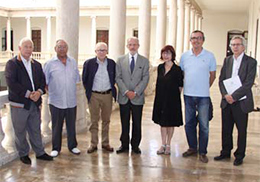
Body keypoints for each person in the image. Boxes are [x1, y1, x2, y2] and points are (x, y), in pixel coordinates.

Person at [5, 37, 53, 165]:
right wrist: (28, 94)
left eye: (30, 47)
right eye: (25, 46)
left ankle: (40, 152)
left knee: (35, 129)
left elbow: (43, 82)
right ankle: (23, 153)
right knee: (20, 131)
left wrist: (39, 92)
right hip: (20, 104)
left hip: (35, 103)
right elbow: (11, 83)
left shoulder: (36, 65)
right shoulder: (12, 64)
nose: (28, 49)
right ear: (20, 48)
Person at [214, 35, 257, 166]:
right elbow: (221, 80)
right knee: (226, 128)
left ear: (243, 46)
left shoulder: (251, 62)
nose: (235, 47)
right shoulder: (227, 60)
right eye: (233, 45)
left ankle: (239, 155)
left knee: (241, 130)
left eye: (238, 44)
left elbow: (248, 83)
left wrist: (234, 96)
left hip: (241, 101)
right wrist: (226, 95)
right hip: (227, 100)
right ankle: (225, 152)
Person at [180, 30, 216, 163]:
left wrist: (205, 88)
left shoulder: (210, 56)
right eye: (194, 38)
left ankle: (203, 152)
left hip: (203, 97)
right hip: (188, 95)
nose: (196, 40)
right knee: (189, 123)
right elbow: (182, 74)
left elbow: (212, 75)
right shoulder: (184, 56)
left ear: (203, 40)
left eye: (199, 38)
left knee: (204, 125)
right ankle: (192, 148)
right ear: (190, 40)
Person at [44, 39, 81, 157]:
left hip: (71, 100)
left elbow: (76, 79)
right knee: (56, 125)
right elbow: (45, 82)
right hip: (56, 101)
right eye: (59, 47)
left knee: (71, 125)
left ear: (67, 49)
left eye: (64, 47)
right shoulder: (49, 64)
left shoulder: (73, 62)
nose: (62, 49)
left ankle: (72, 146)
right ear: (55, 49)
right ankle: (56, 148)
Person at [115, 37, 149, 154]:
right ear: (127, 46)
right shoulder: (120, 60)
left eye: (135, 44)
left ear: (138, 46)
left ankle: (135, 145)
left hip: (137, 98)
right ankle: (124, 145)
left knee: (137, 122)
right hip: (124, 97)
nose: (132, 47)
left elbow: (145, 78)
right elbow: (118, 77)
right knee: (124, 122)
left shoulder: (144, 61)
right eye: (130, 44)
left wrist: (135, 92)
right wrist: (126, 91)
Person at [82, 42, 117, 153]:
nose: (101, 52)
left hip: (108, 95)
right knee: (94, 121)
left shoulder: (112, 63)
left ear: (107, 51)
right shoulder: (89, 63)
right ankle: (93, 144)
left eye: (104, 50)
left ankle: (105, 143)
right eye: (99, 50)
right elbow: (85, 79)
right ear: (95, 51)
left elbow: (115, 77)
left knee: (106, 120)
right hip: (94, 95)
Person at [152, 45, 183, 155]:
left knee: (170, 123)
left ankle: (169, 144)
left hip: (172, 100)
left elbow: (180, 86)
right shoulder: (160, 67)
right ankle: (163, 144)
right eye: (164, 53)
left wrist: (174, 96)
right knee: (162, 123)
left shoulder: (177, 69)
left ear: (172, 55)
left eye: (168, 53)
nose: (166, 55)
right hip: (160, 98)